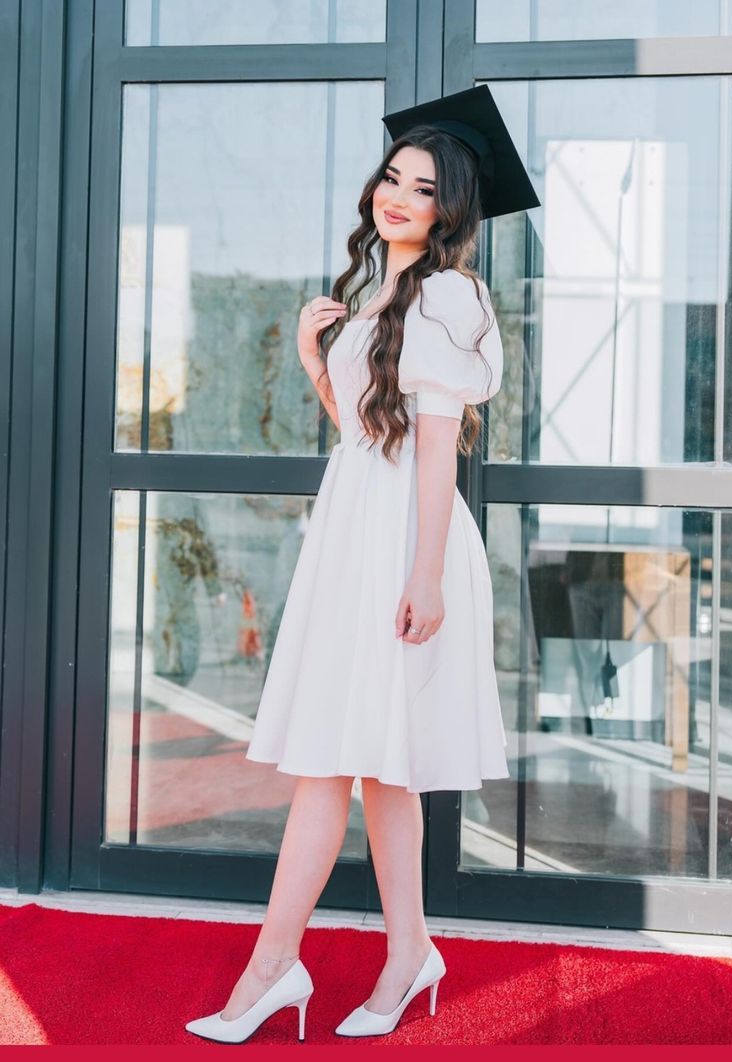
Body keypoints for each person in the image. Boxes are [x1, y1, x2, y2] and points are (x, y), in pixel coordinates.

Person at [184, 84, 540, 1045]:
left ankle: (271, 968)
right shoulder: (380, 288)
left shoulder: (452, 295)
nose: (398, 196)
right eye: (393, 177)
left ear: (450, 208)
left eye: (422, 188)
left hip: (402, 546)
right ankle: (408, 952)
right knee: (377, 773)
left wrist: (422, 577)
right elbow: (370, 440)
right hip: (358, 533)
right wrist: (314, 364)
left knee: (332, 769)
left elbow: (435, 455)